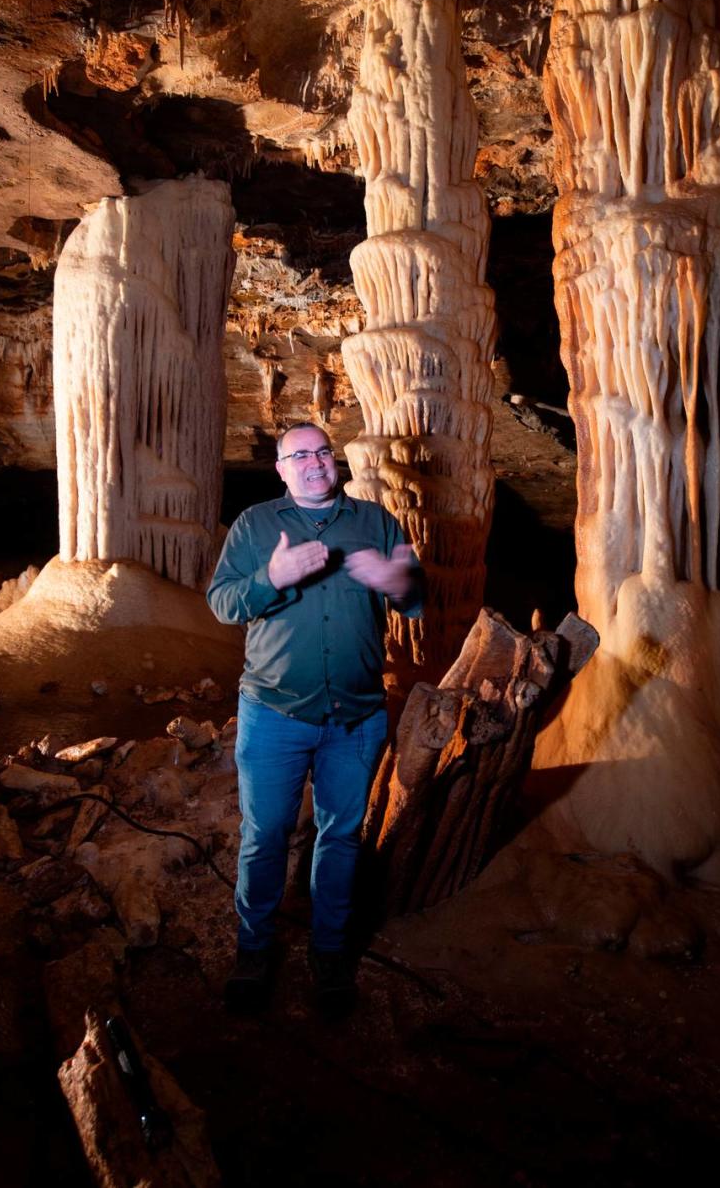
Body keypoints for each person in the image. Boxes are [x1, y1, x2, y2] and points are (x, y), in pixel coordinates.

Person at [206, 422, 423, 1014]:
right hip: (274, 712)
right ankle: (254, 949)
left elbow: (416, 596)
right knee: (265, 835)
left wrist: (398, 582)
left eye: (323, 451)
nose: (314, 462)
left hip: (355, 717)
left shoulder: (374, 522)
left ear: (335, 460)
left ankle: (329, 953)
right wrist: (270, 578)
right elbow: (223, 602)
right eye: (299, 454)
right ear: (281, 468)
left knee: (341, 837)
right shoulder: (255, 525)